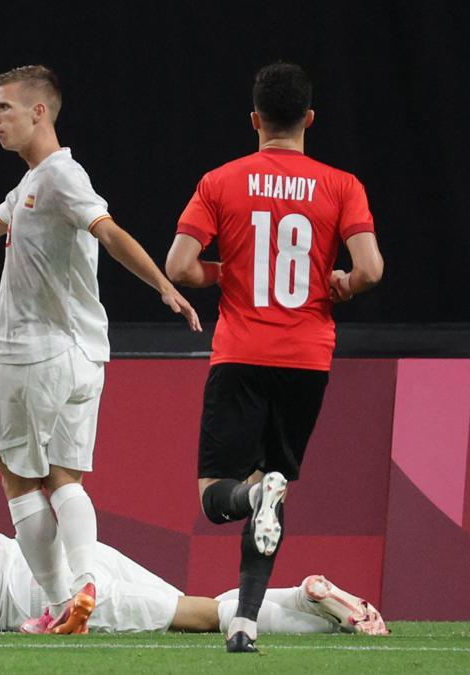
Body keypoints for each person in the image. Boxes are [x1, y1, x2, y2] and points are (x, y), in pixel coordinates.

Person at [0, 65, 200, 634]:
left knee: (16, 477)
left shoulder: (61, 177)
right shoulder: (32, 185)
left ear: (39, 112)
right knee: (64, 479)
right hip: (83, 356)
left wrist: (163, 286)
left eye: (3, 108)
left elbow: (107, 229)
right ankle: (84, 586)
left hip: (30, 351)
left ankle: (63, 601)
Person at [164, 62, 384, 654]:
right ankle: (244, 624)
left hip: (240, 354)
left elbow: (180, 267)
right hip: (307, 359)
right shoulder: (342, 185)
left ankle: (253, 523)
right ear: (309, 119)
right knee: (274, 482)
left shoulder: (221, 180)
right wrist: (344, 283)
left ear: (255, 120)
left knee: (220, 497)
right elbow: (370, 269)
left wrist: (223, 271)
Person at [0, 516, 389, 636]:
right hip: (60, 553)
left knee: (205, 616)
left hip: (48, 600)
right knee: (198, 604)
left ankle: (314, 607)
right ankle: (306, 599)